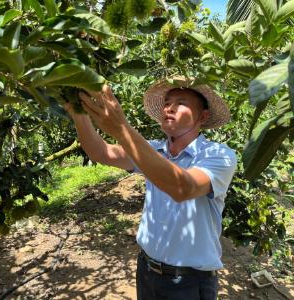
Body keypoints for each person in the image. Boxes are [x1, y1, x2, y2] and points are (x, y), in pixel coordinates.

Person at [64, 76, 237, 300]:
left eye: (181, 102)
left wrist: (122, 129)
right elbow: (101, 152)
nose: (170, 108)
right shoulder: (152, 150)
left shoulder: (219, 155)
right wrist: (78, 111)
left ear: (203, 116)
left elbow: (183, 187)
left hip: (188, 282)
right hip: (146, 270)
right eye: (166, 103)